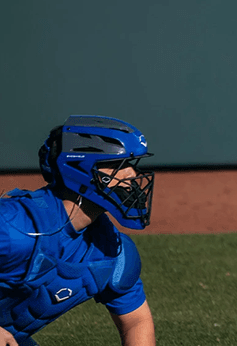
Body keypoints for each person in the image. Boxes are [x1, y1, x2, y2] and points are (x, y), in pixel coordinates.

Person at [0, 115, 157, 346]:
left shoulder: (112, 252)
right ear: (81, 169)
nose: (132, 175)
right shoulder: (15, 226)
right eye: (120, 165)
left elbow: (136, 322)